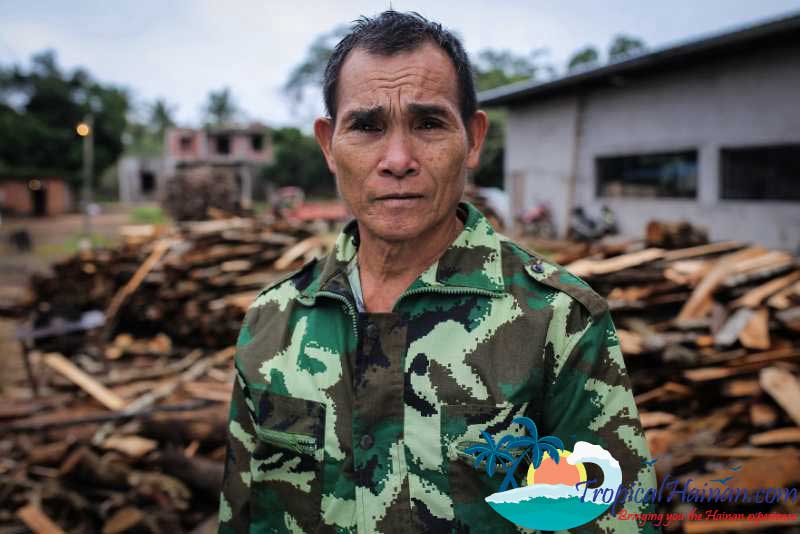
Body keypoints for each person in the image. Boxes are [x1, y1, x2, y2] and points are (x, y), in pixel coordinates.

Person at [220, 11, 657, 533]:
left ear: (473, 140)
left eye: (429, 123)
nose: (398, 159)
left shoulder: (558, 322)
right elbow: (242, 517)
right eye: (366, 126)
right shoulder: (273, 322)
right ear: (328, 145)